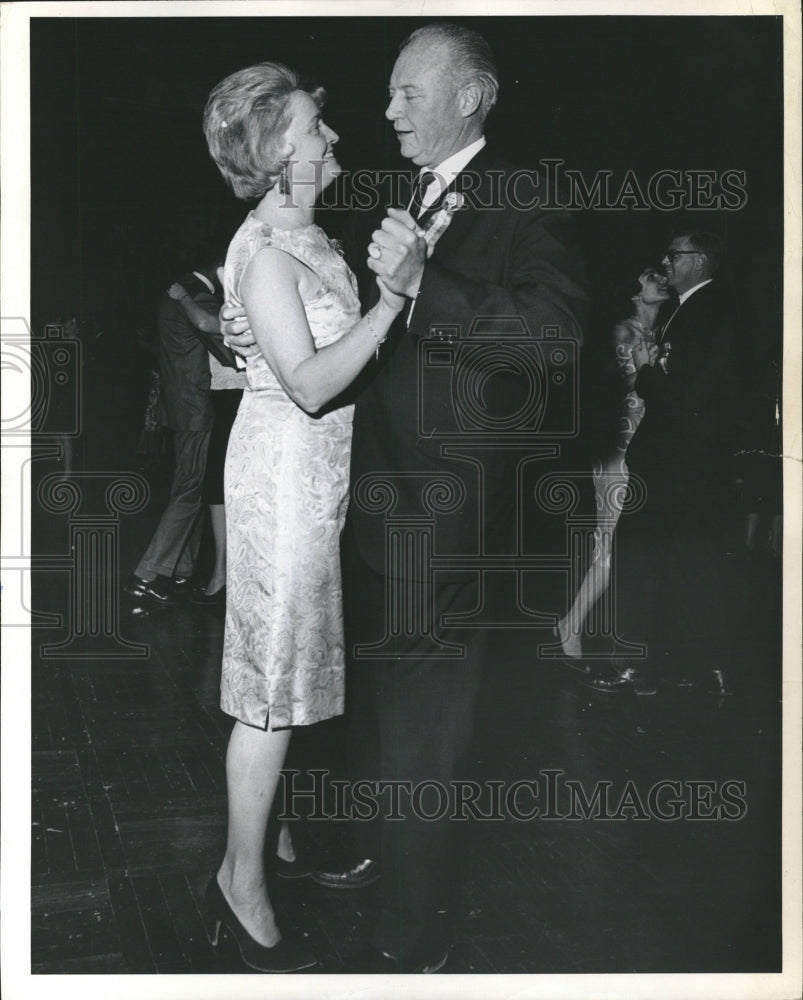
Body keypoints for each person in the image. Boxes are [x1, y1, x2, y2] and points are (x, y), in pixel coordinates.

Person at [223, 22, 588, 973]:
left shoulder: (523, 194)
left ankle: (409, 937)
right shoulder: (396, 190)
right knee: (385, 711)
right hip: (367, 506)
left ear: (469, 96)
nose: (383, 112)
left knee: (430, 731)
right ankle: (386, 859)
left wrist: (427, 288)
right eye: (383, 97)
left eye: (404, 94)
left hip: (452, 517)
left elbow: (551, 340)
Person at [200, 62, 405, 973]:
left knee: (290, 675)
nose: (332, 140)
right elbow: (313, 383)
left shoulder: (297, 233)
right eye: (316, 129)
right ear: (279, 150)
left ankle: (273, 844)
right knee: (272, 693)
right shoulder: (274, 250)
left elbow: (267, 343)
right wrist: (395, 300)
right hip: (282, 484)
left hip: (311, 483)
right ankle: (239, 882)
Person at [587, 231, 743, 694]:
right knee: (690, 561)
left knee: (642, 557)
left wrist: (649, 372)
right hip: (688, 462)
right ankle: (710, 669)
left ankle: (635, 667)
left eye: (674, 256)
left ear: (699, 261)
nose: (665, 262)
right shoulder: (699, 308)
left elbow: (689, 392)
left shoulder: (708, 309)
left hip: (675, 460)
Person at [555, 268, 667, 662]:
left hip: (650, 450)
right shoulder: (623, 333)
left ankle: (584, 626)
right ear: (636, 293)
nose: (661, 279)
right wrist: (640, 370)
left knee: (628, 545)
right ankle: (570, 625)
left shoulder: (663, 334)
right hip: (618, 449)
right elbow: (606, 390)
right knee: (608, 544)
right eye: (652, 276)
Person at [123, 256, 228, 604]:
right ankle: (149, 573)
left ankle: (181, 568)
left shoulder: (174, 292)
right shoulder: (199, 297)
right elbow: (225, 353)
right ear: (221, 268)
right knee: (188, 490)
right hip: (196, 409)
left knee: (192, 487)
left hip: (179, 407)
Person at [168, 281, 247, 605]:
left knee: (218, 487)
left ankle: (222, 574)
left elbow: (209, 330)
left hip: (238, 398)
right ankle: (222, 572)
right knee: (216, 488)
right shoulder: (223, 302)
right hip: (224, 401)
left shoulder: (234, 305)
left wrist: (183, 297)